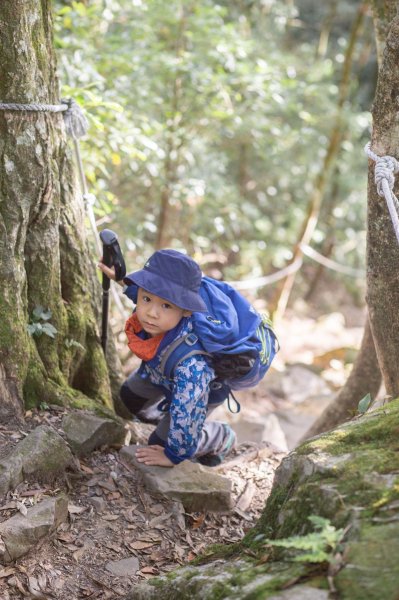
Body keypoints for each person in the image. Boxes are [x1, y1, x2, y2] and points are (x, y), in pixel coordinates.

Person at [98, 249, 236, 468]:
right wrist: (120, 277)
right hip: (163, 375)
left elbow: (191, 406)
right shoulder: (158, 312)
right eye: (146, 299)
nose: (152, 313)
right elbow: (143, 293)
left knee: (159, 444)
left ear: (187, 311)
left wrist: (174, 455)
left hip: (200, 390)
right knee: (129, 397)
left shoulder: (193, 364)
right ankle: (169, 415)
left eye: (166, 305)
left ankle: (219, 436)